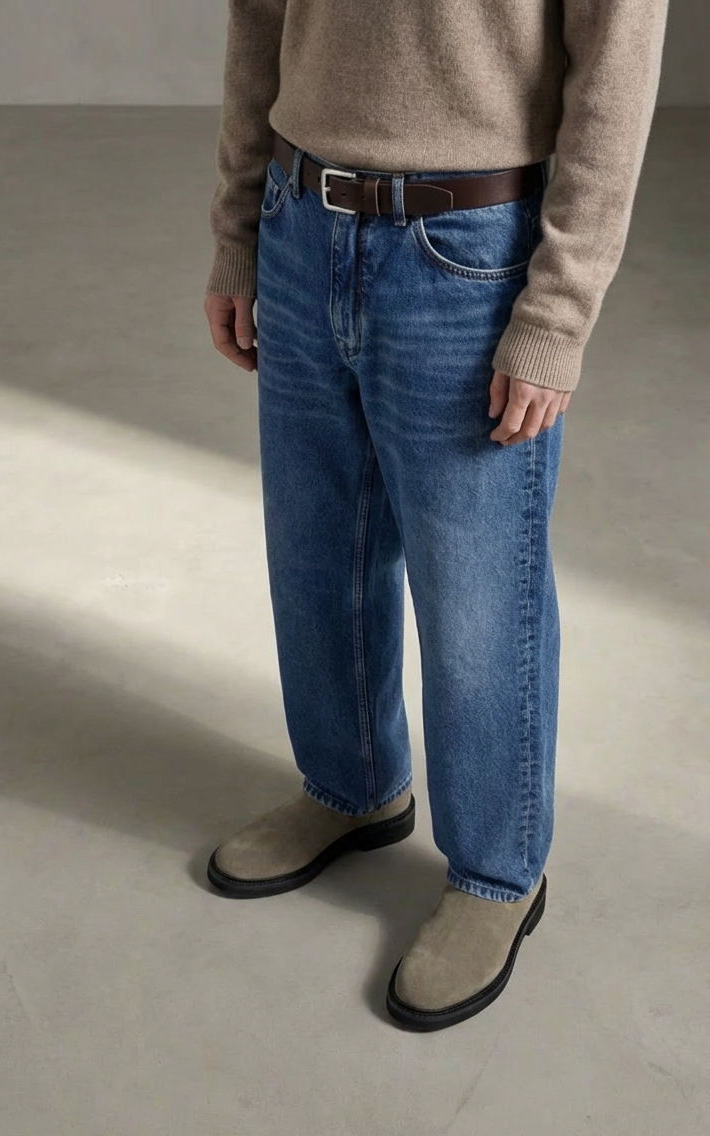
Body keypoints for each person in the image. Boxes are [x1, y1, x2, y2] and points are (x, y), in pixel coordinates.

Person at [202, 0, 669, 1030]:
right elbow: (256, 17)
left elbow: (616, 63)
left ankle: (498, 873)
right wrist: (238, 228)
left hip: (465, 251)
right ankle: (349, 784)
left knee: (474, 598)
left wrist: (555, 311)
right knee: (316, 553)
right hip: (297, 217)